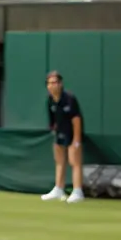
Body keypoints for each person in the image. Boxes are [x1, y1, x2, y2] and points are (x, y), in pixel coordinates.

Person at [41, 71, 84, 204]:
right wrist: (55, 134)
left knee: (74, 161)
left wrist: (76, 140)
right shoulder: (49, 100)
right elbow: (52, 121)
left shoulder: (70, 98)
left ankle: (78, 191)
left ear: (61, 84)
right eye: (50, 83)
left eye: (55, 82)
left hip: (73, 133)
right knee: (59, 161)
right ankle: (59, 189)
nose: (53, 85)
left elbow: (76, 120)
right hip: (60, 133)